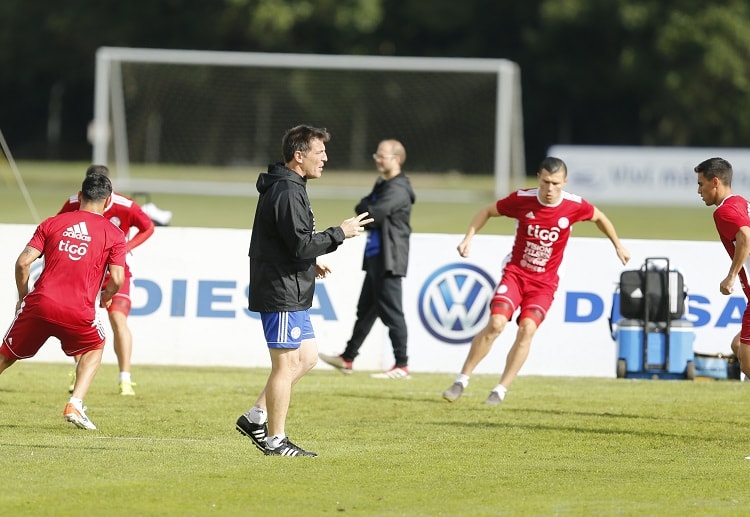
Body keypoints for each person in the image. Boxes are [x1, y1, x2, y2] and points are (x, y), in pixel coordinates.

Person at [442, 156, 631, 405]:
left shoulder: (575, 206)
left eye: (555, 183)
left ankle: (500, 390)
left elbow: (599, 217)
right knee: (497, 323)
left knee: (527, 329)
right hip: (516, 274)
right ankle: (461, 380)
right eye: (545, 182)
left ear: (565, 182)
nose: (549, 189)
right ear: (538, 178)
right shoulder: (522, 200)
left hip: (544, 283)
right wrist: (468, 238)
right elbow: (487, 211)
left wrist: (618, 246)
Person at [235, 124, 373, 457]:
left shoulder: (291, 186)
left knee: (307, 359)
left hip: (292, 286)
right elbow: (298, 244)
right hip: (281, 290)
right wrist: (340, 232)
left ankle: (255, 417)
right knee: (284, 366)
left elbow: (286, 242)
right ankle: (276, 440)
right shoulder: (285, 190)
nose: (325, 158)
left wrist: (311, 264)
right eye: (319, 152)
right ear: (299, 156)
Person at [0, 172, 126, 430]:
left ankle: (76, 404)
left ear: (80, 196)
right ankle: (75, 403)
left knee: (6, 356)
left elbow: (23, 262)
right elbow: (117, 278)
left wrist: (23, 298)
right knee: (95, 346)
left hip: (39, 304)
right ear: (108, 201)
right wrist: (107, 295)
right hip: (78, 311)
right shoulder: (114, 234)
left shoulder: (52, 223)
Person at [319, 139, 416, 379]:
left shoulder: (399, 188)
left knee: (393, 314)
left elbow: (372, 215)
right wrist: (369, 204)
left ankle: (402, 365)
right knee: (366, 311)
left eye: (382, 155)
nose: (377, 159)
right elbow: (361, 207)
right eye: (376, 154)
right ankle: (348, 358)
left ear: (397, 159)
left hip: (389, 259)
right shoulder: (383, 185)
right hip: (375, 257)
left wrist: (369, 205)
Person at [58, 164, 155, 396]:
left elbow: (148, 227)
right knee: (77, 323)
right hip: (85, 273)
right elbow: (58, 228)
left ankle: (125, 379)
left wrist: (124, 248)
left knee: (118, 321)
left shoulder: (126, 205)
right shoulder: (73, 203)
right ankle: (79, 370)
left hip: (115, 273)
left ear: (108, 191)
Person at [694, 157, 750, 379]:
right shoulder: (743, 203)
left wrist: (731, 276)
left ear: (715, 181)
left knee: (747, 364)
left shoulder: (724, 212)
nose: (698, 190)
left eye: (701, 184)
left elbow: (745, 236)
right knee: (738, 345)